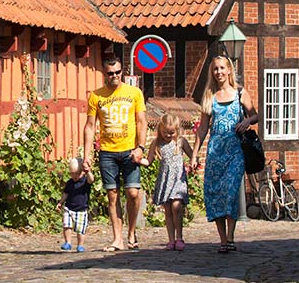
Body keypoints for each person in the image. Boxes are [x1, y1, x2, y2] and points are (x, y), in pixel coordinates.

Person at [191, 55, 259, 253]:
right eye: (215, 69)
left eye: (222, 68)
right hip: (215, 151)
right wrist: (195, 154)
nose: (219, 72)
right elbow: (203, 128)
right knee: (214, 193)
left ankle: (231, 235)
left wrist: (247, 121)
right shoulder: (209, 96)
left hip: (235, 150)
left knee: (229, 192)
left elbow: (255, 114)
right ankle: (223, 239)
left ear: (229, 70)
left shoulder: (239, 93)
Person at [83, 58, 147, 252]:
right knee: (112, 195)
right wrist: (87, 154)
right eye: (110, 73)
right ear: (104, 74)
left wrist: (141, 147)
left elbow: (141, 122)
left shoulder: (134, 93)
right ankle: (118, 238)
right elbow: (90, 126)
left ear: (122, 71)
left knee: (133, 193)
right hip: (108, 152)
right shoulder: (96, 96)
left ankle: (132, 232)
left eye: (118, 72)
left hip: (130, 150)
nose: (115, 76)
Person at [148, 114, 193, 251]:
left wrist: (193, 163)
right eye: (165, 132)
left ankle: (179, 237)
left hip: (178, 179)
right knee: (168, 209)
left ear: (177, 130)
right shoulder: (156, 143)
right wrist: (138, 160)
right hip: (165, 180)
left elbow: (192, 155)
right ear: (160, 129)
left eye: (171, 132)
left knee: (176, 206)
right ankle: (171, 239)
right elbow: (148, 160)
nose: (168, 135)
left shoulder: (180, 142)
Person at [57, 157, 92, 252]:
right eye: (72, 174)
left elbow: (91, 180)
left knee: (80, 229)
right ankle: (68, 242)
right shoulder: (69, 183)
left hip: (81, 209)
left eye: (77, 173)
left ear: (82, 172)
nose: (74, 176)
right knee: (66, 225)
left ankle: (80, 245)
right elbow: (66, 193)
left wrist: (88, 171)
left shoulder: (85, 181)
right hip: (69, 208)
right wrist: (60, 202)